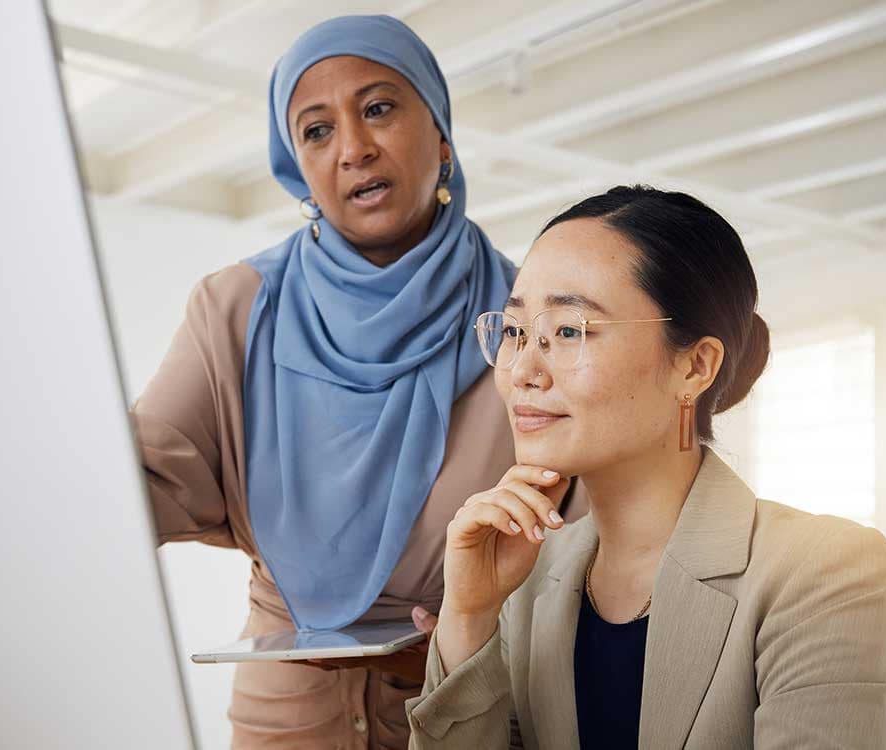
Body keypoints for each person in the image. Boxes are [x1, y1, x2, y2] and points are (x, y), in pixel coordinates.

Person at [130, 15, 586, 750]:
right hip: (285, 719)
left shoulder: (522, 313)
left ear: (440, 135)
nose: (353, 148)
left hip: (471, 701)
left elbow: (595, 521)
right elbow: (144, 483)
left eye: (378, 108)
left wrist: (497, 612)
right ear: (296, 166)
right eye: (316, 131)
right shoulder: (238, 309)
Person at [405, 185, 886, 749]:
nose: (522, 369)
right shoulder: (529, 580)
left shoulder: (822, 572)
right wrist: (469, 616)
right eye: (517, 331)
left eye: (569, 330)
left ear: (694, 366)